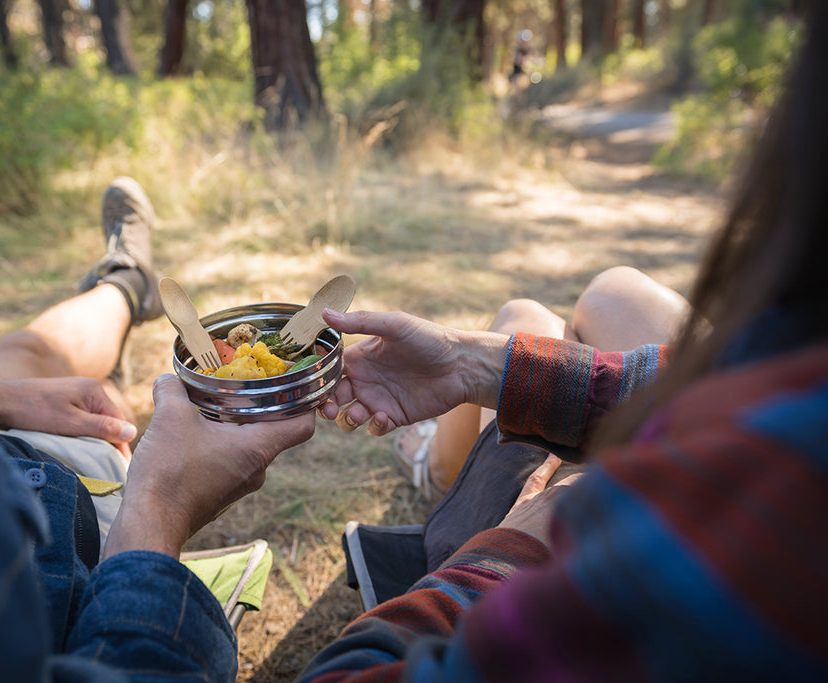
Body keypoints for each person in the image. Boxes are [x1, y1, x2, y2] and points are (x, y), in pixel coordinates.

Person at [299, 5, 828, 680]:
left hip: (529, 556)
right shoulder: (792, 385)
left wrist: (517, 541)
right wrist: (472, 363)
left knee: (524, 315)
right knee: (609, 294)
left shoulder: (747, 517)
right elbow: (704, 375)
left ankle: (436, 464)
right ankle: (444, 444)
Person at [0, 177, 315, 681]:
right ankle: (118, 307)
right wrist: (160, 510)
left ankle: (125, 279)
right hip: (78, 511)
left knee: (18, 356)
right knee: (76, 412)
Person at [392, 266, 689, 503]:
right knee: (617, 291)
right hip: (714, 445)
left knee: (524, 319)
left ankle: (446, 476)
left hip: (683, 523)